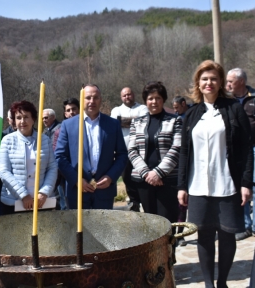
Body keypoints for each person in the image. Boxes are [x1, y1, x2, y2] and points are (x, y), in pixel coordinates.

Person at [178, 60, 253, 288]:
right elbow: (184, 153)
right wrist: (182, 186)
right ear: (198, 84)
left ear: (220, 82)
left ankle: (222, 282)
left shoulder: (233, 109)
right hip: (198, 186)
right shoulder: (191, 115)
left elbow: (246, 147)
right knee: (204, 236)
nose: (208, 82)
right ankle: (209, 284)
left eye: (213, 78)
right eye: (204, 79)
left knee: (228, 235)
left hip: (227, 184)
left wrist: (246, 182)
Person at [55, 84, 128, 209]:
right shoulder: (68, 125)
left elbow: (122, 155)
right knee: (78, 228)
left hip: (104, 191)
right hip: (77, 191)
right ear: (82, 100)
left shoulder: (112, 124)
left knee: (102, 228)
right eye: (88, 98)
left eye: (96, 97)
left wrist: (110, 177)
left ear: (101, 100)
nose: (92, 101)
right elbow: (60, 156)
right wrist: (76, 180)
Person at [128, 81, 181, 224]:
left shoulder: (175, 121)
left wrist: (158, 173)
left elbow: (177, 149)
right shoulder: (136, 123)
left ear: (163, 99)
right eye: (150, 98)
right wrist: (146, 173)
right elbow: (132, 150)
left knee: (168, 225)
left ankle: (170, 248)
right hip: (144, 182)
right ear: (145, 101)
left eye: (157, 98)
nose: (154, 102)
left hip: (167, 181)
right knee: (151, 226)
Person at [0, 101, 57, 214]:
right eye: (18, 117)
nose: (22, 121)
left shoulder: (44, 139)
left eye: (26, 117)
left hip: (41, 202)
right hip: (14, 202)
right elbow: (4, 171)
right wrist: (23, 195)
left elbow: (52, 167)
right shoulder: (7, 140)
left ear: (33, 119)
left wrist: (44, 192)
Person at [226, 67, 255, 241]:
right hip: (235, 150)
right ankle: (244, 225)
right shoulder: (226, 101)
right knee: (240, 186)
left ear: (241, 82)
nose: (227, 84)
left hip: (254, 147)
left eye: (231, 81)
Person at [110, 87, 148, 211]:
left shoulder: (142, 108)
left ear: (134, 94)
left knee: (141, 176)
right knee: (127, 177)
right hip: (123, 151)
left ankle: (143, 200)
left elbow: (145, 121)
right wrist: (135, 120)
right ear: (121, 97)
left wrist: (123, 121)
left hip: (140, 151)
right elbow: (115, 123)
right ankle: (134, 201)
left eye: (129, 94)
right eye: (124, 95)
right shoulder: (116, 110)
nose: (127, 97)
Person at [51, 97, 80, 210]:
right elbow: (57, 153)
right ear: (64, 113)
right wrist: (71, 174)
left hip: (87, 174)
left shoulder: (87, 126)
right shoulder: (59, 131)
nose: (71, 112)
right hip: (66, 175)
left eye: (74, 109)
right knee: (69, 207)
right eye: (68, 110)